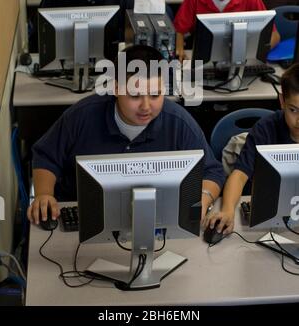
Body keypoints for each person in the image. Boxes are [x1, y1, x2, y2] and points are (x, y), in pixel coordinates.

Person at [27, 44, 226, 224]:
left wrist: (203, 198)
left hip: (156, 222)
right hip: (82, 219)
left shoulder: (179, 122)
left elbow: (212, 172)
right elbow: (45, 157)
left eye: (156, 95)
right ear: (116, 88)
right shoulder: (82, 115)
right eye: (135, 96)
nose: (146, 107)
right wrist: (44, 194)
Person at [205, 62, 299, 235]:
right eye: (294, 110)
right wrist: (227, 210)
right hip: (268, 218)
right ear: (282, 101)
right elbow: (240, 175)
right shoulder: (266, 129)